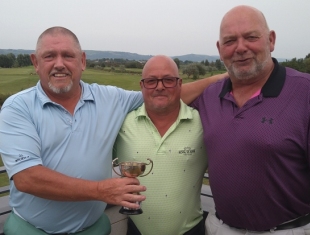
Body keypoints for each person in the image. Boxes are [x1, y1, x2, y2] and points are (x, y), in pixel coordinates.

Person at [0, 27, 227, 235]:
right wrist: (101, 190)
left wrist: (224, 78)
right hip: (33, 229)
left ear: (82, 61)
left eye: (68, 55)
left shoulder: (110, 99)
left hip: (93, 228)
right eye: (49, 56)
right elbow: (27, 178)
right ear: (35, 62)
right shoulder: (18, 107)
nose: (59, 63)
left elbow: (162, 96)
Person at [191, 5, 310, 235]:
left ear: (271, 40)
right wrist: (219, 76)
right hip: (220, 228)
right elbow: (162, 98)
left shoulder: (307, 91)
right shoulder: (210, 96)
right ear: (219, 49)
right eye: (230, 41)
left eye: (251, 37)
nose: (241, 48)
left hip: (286, 230)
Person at [113, 55, 207, 235]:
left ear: (180, 84)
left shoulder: (202, 122)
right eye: (151, 81)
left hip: (190, 230)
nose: (160, 86)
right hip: (136, 231)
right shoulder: (122, 124)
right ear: (142, 86)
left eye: (168, 80)